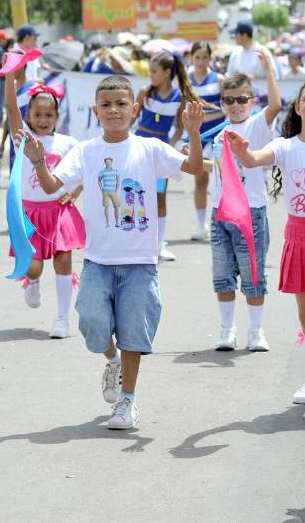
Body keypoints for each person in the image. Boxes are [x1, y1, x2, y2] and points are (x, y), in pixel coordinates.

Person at [22, 76, 204, 430]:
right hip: (98, 261)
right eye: (106, 105)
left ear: (134, 109)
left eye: (121, 104)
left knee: (134, 332)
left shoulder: (150, 148)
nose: (114, 111)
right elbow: (52, 185)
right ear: (96, 111)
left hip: (139, 262)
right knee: (91, 323)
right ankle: (112, 358)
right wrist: (39, 162)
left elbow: (194, 168)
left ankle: (127, 402)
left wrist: (193, 132)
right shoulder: (86, 151)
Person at [227, 79, 305, 426]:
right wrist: (242, 151)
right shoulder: (285, 146)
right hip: (299, 237)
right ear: (297, 107)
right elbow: (254, 159)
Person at [5, 63, 85, 338]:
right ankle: (32, 281)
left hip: (59, 211)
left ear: (56, 116)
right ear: (29, 115)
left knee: (64, 261)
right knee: (34, 266)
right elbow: (11, 109)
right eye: (37, 114)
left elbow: (86, 169)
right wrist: (9, 76)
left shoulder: (69, 143)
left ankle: (62, 319)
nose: (43, 119)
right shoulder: (23, 140)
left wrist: (74, 193)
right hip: (30, 214)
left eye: (48, 114)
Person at [207, 63, 280, 353]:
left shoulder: (257, 126)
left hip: (250, 211)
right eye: (229, 100)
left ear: (251, 100)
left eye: (242, 99)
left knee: (253, 274)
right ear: (222, 103)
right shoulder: (218, 134)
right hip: (220, 213)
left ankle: (255, 330)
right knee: (223, 274)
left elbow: (276, 104)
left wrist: (268, 67)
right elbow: (214, 169)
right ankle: (227, 330)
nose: (236, 105)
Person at [135, 51, 202, 262]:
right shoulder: (144, 92)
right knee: (135, 194)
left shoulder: (179, 98)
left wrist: (169, 147)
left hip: (161, 151)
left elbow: (180, 128)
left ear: (166, 73)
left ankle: (159, 245)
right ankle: (136, 241)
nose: (151, 75)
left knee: (159, 197)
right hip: (138, 148)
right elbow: (131, 119)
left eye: (154, 71)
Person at [187, 41, 226, 241]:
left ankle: (223, 223)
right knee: (200, 179)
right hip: (197, 136)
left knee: (222, 178)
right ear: (191, 58)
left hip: (218, 134)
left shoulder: (219, 79)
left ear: (210, 58)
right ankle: (202, 226)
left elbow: (230, 105)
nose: (201, 61)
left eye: (205, 57)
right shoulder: (186, 80)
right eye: (198, 57)